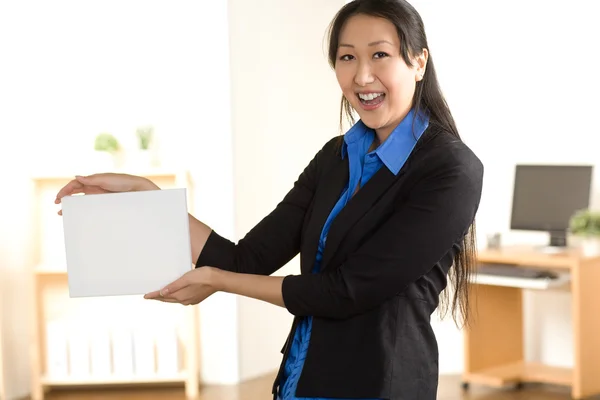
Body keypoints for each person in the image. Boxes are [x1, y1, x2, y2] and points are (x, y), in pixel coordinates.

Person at [55, 0, 483, 399]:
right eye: (347, 57)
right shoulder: (335, 157)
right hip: (302, 375)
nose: (362, 76)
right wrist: (148, 196)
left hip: (379, 383)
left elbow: (348, 291)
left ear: (419, 61)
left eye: (380, 55)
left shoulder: (451, 170)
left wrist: (218, 282)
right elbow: (248, 259)